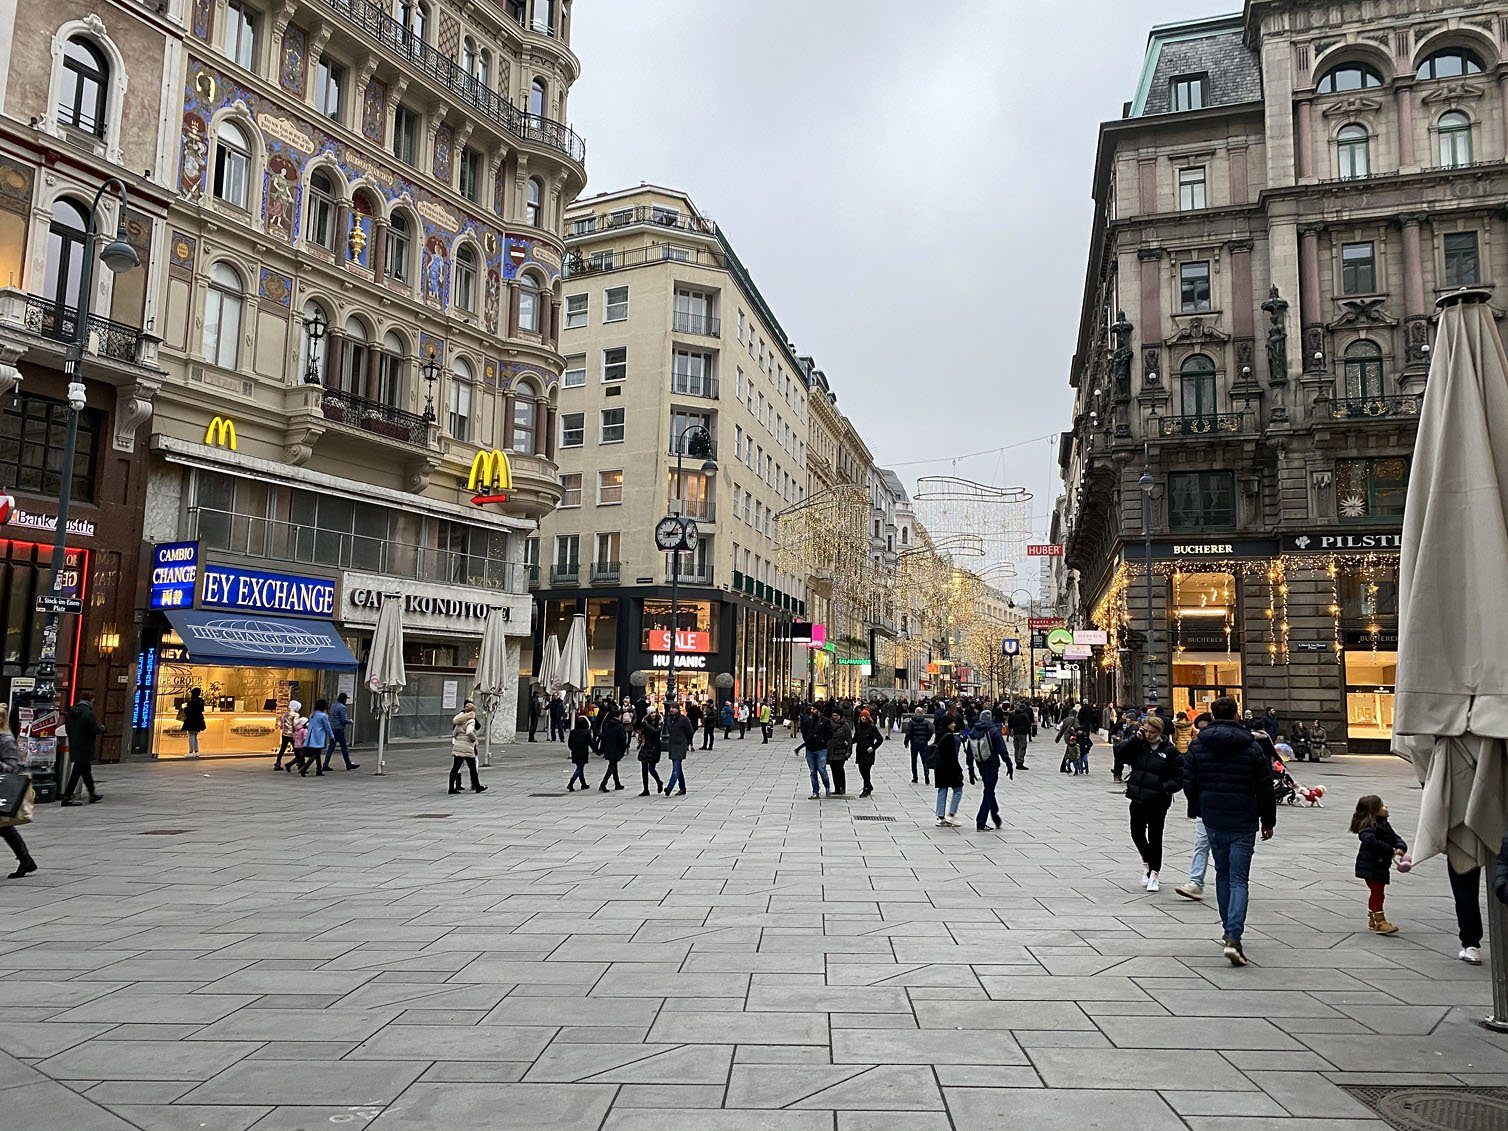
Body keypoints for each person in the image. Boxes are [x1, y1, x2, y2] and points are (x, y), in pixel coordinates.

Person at [1183, 696, 1276, 966]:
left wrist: (1198, 806)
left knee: (1222, 873)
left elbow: (1188, 779)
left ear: (1211, 715)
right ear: (1237, 715)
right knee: (1239, 879)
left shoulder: (1199, 744)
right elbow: (1265, 785)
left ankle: (1227, 931)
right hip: (1244, 817)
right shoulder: (1252, 746)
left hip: (1213, 816)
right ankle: (1234, 934)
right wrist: (1268, 820)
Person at [1115, 715, 1183, 892]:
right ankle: (1147, 860)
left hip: (1158, 801)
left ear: (1160, 732)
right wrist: (1133, 739)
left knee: (1155, 836)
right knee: (1136, 832)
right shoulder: (1139, 746)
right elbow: (1120, 753)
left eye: (1152, 732)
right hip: (1137, 796)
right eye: (1146, 731)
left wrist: (1164, 787)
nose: (1148, 735)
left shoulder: (1170, 751)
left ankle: (1154, 872)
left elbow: (1179, 777)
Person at [1351, 795, 1407, 935]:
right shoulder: (1367, 826)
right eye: (1382, 805)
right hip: (1371, 865)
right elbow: (1369, 841)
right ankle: (1379, 921)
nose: (1385, 807)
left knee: (1378, 892)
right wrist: (1390, 850)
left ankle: (1373, 918)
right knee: (1377, 892)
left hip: (1380, 864)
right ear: (1373, 811)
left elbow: (1395, 837)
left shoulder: (1383, 823)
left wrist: (1400, 846)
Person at [1175, 712, 1216, 901]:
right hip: (1204, 805)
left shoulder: (1238, 745)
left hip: (1229, 807)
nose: (1202, 732)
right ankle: (1196, 882)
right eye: (1200, 729)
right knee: (1201, 843)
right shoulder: (1197, 747)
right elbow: (1188, 779)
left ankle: (1235, 880)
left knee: (1225, 847)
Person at [1, 701, 37, 878]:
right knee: (5, 828)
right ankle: (26, 860)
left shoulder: (6, 740)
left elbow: (12, 766)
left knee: (5, 828)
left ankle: (25, 860)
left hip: (1, 788)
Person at [964, 709, 1011, 832]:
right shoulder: (993, 731)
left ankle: (995, 814)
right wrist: (1009, 764)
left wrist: (970, 768)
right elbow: (1002, 749)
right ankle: (981, 821)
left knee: (989, 789)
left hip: (980, 764)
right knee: (988, 792)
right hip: (992, 764)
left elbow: (969, 752)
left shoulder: (973, 730)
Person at [60, 693, 105, 806]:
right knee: (77, 772)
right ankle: (67, 797)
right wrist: (102, 728)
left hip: (75, 745)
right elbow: (94, 729)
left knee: (85, 771)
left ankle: (92, 793)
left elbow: (67, 729)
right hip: (85, 746)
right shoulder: (88, 713)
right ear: (90, 701)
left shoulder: (71, 713)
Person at [932, 715, 965, 827]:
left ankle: (940, 817)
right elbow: (952, 756)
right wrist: (959, 770)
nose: (954, 725)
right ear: (948, 724)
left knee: (942, 790)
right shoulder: (950, 737)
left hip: (939, 767)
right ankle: (951, 814)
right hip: (950, 768)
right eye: (952, 723)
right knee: (958, 790)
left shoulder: (939, 735)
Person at [449, 698, 485, 794]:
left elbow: (454, 733)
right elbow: (469, 732)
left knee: (455, 767)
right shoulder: (471, 720)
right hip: (467, 746)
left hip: (458, 744)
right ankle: (477, 786)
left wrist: (458, 738)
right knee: (472, 768)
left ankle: (451, 788)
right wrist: (474, 739)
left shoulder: (459, 719)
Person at [797, 708, 832, 799]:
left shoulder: (825, 721)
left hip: (821, 749)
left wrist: (823, 740)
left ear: (819, 710)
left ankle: (827, 786)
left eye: (814, 709)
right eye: (812, 709)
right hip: (810, 749)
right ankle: (815, 791)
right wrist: (807, 739)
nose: (812, 711)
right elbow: (803, 731)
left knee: (821, 769)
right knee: (812, 771)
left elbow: (830, 733)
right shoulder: (808, 721)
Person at [294, 698, 333, 777]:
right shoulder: (323, 716)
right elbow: (327, 727)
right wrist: (331, 736)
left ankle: (319, 769)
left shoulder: (312, 714)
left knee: (317, 753)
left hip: (311, 735)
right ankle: (304, 768)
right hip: (318, 736)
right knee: (316, 753)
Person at [323, 691, 358, 771]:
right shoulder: (342, 707)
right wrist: (350, 721)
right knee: (344, 747)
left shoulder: (333, 706)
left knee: (331, 747)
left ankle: (326, 763)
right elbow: (343, 720)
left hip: (332, 728)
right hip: (339, 729)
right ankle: (348, 764)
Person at [664, 704, 693, 795]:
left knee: (676, 768)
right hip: (672, 745)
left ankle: (669, 787)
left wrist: (686, 743)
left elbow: (690, 732)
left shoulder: (683, 719)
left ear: (678, 709)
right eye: (671, 708)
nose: (671, 709)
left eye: (674, 708)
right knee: (678, 768)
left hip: (680, 745)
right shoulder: (669, 719)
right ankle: (682, 788)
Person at [854, 710, 884, 797]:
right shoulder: (858, 727)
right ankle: (869, 785)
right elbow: (856, 738)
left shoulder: (872, 727)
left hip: (868, 752)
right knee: (861, 770)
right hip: (860, 751)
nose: (863, 718)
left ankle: (866, 789)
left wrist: (873, 747)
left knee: (866, 771)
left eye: (865, 716)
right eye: (862, 716)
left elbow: (880, 739)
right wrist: (848, 742)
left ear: (868, 718)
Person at [599, 709, 629, 792]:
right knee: (612, 766)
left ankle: (617, 783)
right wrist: (623, 749)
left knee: (613, 765)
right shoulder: (620, 726)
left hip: (608, 748)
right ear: (619, 716)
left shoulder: (607, 725)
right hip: (616, 749)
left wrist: (602, 749)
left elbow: (603, 737)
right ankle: (603, 783)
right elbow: (622, 739)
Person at [827, 708, 853, 796]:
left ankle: (842, 788)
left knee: (840, 769)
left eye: (836, 715)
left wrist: (849, 751)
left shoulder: (845, 725)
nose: (835, 717)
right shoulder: (829, 724)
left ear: (840, 716)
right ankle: (836, 788)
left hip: (841, 751)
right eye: (833, 715)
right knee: (833, 770)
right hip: (831, 751)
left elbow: (849, 738)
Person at [636, 714, 664, 796]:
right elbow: (639, 731)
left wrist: (647, 726)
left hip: (654, 747)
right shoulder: (644, 721)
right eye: (651, 713)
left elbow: (656, 732)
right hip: (646, 747)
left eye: (654, 713)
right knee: (644, 769)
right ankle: (646, 789)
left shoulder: (659, 722)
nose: (653, 715)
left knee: (651, 769)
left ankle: (659, 782)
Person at [566, 715, 595, 792]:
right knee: (579, 768)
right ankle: (571, 783)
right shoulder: (586, 732)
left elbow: (570, 743)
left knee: (580, 768)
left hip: (575, 752)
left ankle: (583, 784)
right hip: (583, 752)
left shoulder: (573, 732)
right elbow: (591, 743)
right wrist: (597, 751)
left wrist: (573, 749)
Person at [905, 708, 933, 785]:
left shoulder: (911, 722)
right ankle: (926, 774)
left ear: (915, 713)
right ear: (922, 713)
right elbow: (931, 731)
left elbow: (908, 733)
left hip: (914, 743)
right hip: (923, 743)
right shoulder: (927, 722)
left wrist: (906, 742)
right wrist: (927, 738)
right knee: (925, 760)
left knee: (914, 760)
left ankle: (915, 777)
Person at [274, 699, 302, 770]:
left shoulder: (285, 714)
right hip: (292, 735)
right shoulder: (296, 715)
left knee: (282, 749)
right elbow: (295, 725)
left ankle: (277, 763)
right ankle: (299, 763)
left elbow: (282, 723)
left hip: (284, 734)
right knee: (296, 750)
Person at [1007, 700, 1034, 771]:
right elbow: (1028, 723)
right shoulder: (1024, 715)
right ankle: (1020, 762)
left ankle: (1017, 761)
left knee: (1016, 748)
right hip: (1022, 733)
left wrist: (1010, 731)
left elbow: (1010, 723)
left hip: (1015, 733)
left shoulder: (1013, 715)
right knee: (1022, 747)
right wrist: (1027, 731)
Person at [182, 688, 207, 757]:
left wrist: (185, 708)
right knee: (195, 736)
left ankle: (190, 752)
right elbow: (201, 710)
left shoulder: (191, 702)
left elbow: (188, 712)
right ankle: (196, 751)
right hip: (199, 720)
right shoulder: (201, 701)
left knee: (191, 735)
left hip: (191, 720)